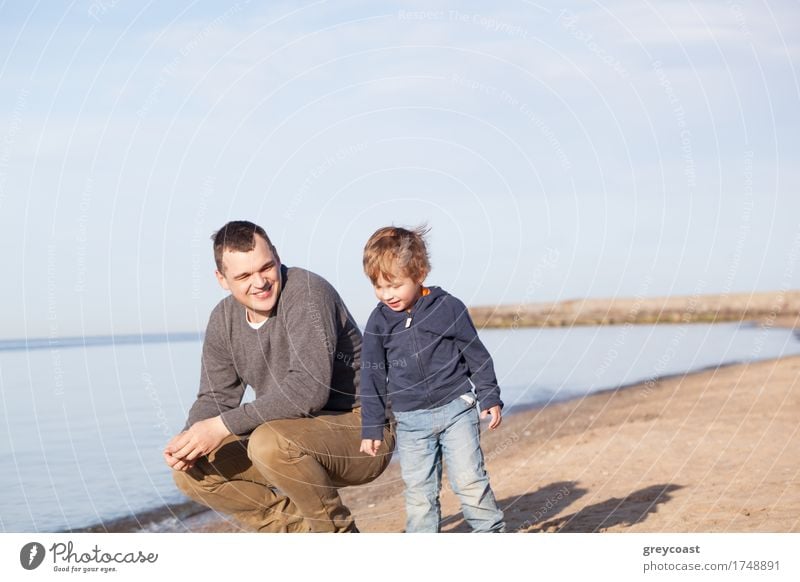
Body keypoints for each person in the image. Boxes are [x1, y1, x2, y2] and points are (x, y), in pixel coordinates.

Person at [164, 220, 395, 533]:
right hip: (292, 433)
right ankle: (299, 534)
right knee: (193, 470)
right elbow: (215, 397)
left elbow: (307, 390)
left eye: (266, 267)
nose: (260, 282)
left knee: (269, 442)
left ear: (276, 255)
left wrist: (219, 427)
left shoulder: (308, 294)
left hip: (364, 431)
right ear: (222, 279)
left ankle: (337, 535)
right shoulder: (223, 319)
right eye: (244, 276)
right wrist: (188, 439)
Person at [359, 225, 505, 533]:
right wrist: (371, 427)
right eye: (378, 286)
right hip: (410, 421)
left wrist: (489, 395)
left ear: (419, 272)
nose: (387, 295)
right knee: (419, 495)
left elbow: (475, 354)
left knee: (469, 482)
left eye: (395, 285)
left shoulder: (447, 307)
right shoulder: (378, 322)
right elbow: (372, 375)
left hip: (456, 409)